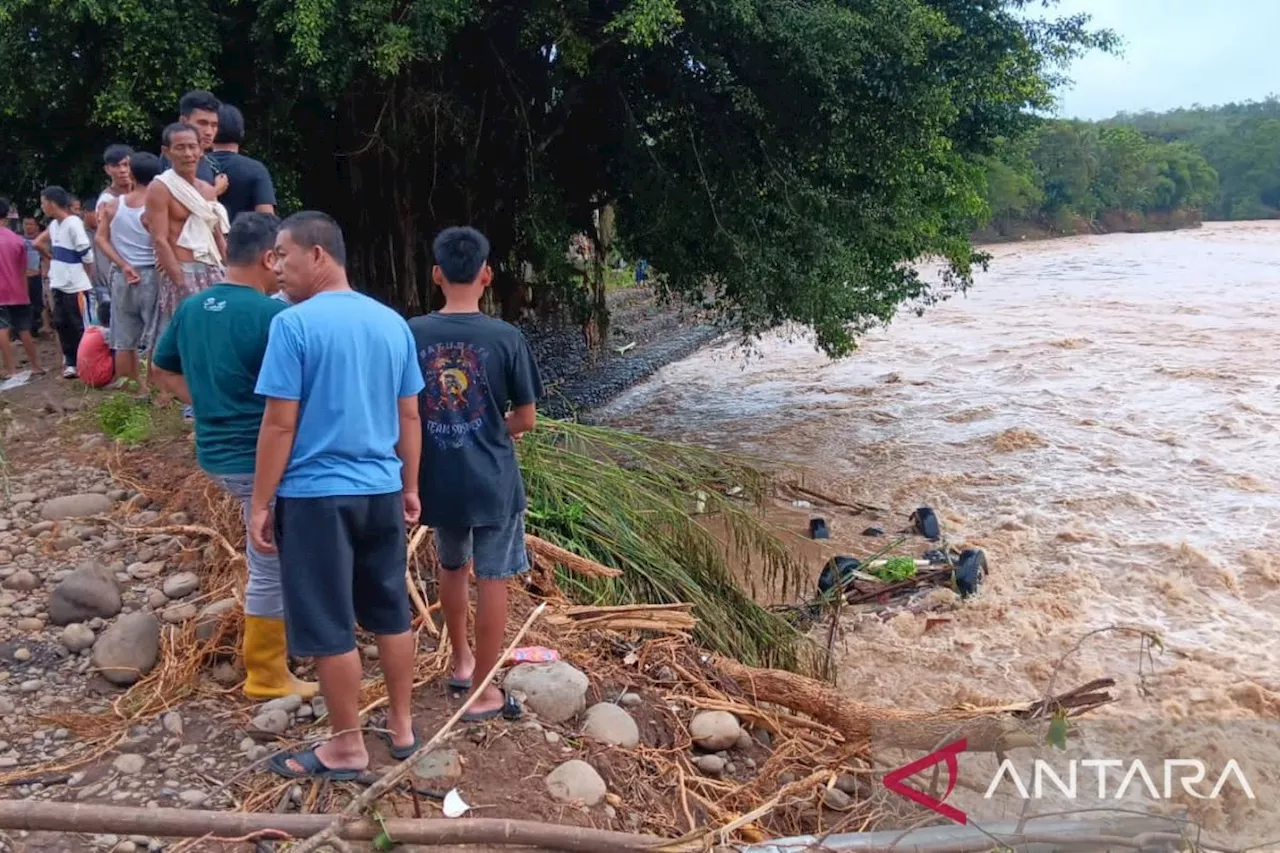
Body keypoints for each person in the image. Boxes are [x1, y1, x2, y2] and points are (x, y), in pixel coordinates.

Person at [250, 211, 423, 779]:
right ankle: (402, 727)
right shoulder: (392, 323)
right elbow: (409, 414)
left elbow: (278, 425)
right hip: (381, 490)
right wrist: (410, 484)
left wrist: (260, 502)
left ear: (318, 254)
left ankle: (347, 746)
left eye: (284, 254)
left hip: (316, 496)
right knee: (391, 612)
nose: (276, 267)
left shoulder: (293, 326)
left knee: (329, 624)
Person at [148, 213, 317, 701]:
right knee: (268, 560)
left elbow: (161, 371)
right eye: (281, 259)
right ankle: (266, 673)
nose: (282, 268)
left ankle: (289, 643)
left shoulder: (192, 307)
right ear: (269, 258)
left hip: (216, 453)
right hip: (259, 458)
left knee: (274, 550)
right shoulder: (272, 317)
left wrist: (205, 404)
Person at [410, 226, 542, 721]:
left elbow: (403, 410)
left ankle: (461, 660)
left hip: (437, 477)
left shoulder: (412, 333)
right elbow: (525, 419)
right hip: (492, 479)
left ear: (437, 275)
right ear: (487, 274)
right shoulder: (506, 337)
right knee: (493, 578)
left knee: (451, 566)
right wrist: (488, 427)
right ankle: (485, 692)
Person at [148, 122, 229, 340]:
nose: (188, 153)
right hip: (182, 272)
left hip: (212, 270)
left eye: (193, 147)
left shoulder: (206, 188)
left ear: (201, 149)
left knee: (214, 337)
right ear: (167, 152)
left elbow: (217, 234)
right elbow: (160, 240)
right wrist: (180, 283)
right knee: (184, 339)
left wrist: (230, 270)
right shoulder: (160, 187)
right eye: (180, 147)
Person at [97, 152, 162, 392]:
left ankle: (132, 390)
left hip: (123, 277)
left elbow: (101, 239)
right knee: (156, 335)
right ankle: (157, 391)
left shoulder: (114, 205)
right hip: (154, 275)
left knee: (124, 338)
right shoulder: (158, 206)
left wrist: (124, 265)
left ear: (132, 173)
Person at [34, 186, 95, 377]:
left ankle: (86, 362)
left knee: (78, 324)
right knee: (61, 322)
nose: (42, 207)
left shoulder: (73, 223)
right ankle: (71, 362)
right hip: (58, 283)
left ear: (52, 204)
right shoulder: (54, 226)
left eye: (43, 203)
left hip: (75, 285)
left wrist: (84, 276)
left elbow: (87, 255)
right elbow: (41, 244)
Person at [208, 104, 276, 221]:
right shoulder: (255, 169)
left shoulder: (195, 166)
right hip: (243, 238)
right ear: (242, 133)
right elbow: (266, 218)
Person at [0, 198, 43, 377]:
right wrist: (25, 294)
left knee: (2, 329)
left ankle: (11, 370)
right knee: (24, 329)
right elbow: (23, 269)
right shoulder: (17, 240)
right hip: (18, 291)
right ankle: (36, 366)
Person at [158, 91, 224, 191]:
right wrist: (216, 190)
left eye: (214, 125)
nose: (209, 132)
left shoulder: (212, 163)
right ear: (183, 121)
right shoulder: (173, 159)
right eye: (202, 123)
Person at [20, 216, 45, 337]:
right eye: (26, 224)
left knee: (38, 303)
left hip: (38, 276)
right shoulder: (18, 240)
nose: (28, 227)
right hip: (22, 277)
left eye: (31, 224)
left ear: (36, 226)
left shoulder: (42, 241)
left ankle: (35, 328)